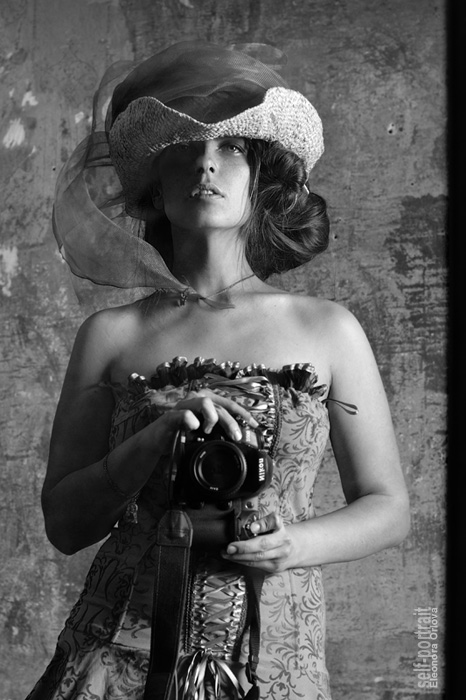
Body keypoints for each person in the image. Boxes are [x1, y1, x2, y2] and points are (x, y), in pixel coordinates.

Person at [26, 41, 410, 700]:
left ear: (261, 176)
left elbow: (389, 507)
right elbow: (64, 526)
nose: (206, 163)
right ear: (154, 185)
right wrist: (150, 441)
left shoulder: (329, 330)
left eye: (231, 147)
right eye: (184, 148)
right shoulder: (112, 335)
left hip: (276, 658)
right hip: (119, 661)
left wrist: (293, 545)